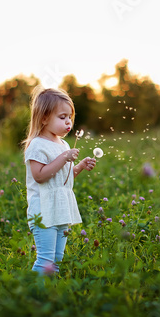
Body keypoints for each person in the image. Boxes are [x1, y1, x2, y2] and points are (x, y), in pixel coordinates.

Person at [22, 86, 96, 275]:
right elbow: (39, 176)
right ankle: (33, 293)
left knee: (56, 259)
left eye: (70, 117)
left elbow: (63, 178)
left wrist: (79, 167)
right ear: (44, 118)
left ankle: (48, 293)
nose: (68, 122)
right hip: (43, 209)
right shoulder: (37, 145)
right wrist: (64, 157)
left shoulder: (63, 144)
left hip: (61, 208)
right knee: (46, 259)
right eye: (62, 117)